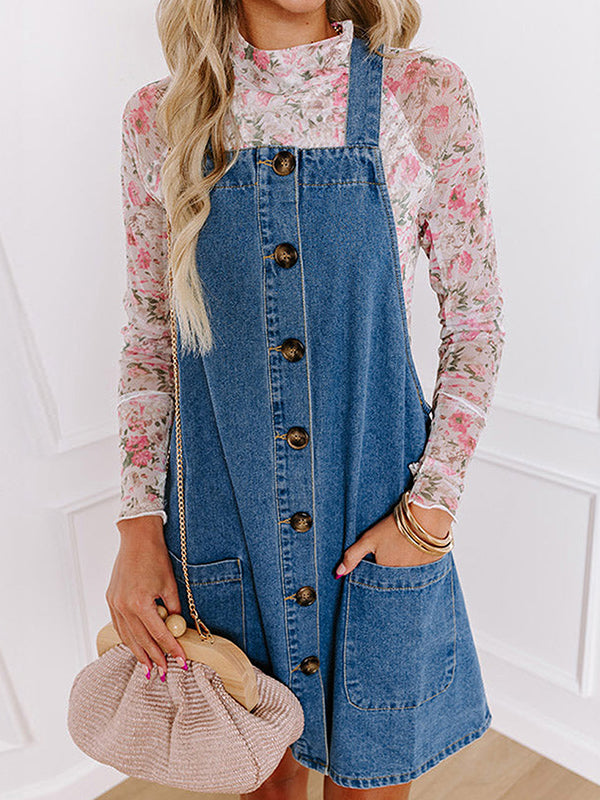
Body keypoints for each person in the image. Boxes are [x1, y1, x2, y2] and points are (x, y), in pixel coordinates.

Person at [106, 0, 506, 796]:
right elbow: (152, 338)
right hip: (224, 532)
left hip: (376, 525)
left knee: (371, 783)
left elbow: (476, 323)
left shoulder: (423, 96)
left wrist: (429, 513)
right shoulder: (160, 118)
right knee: (263, 783)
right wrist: (137, 526)